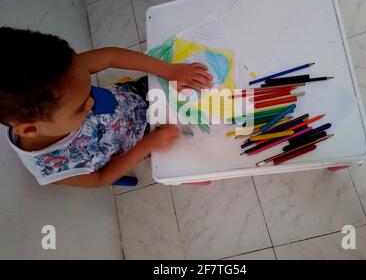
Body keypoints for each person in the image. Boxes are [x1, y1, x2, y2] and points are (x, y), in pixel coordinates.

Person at [0, 27, 213, 188]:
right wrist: (147, 145)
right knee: (201, 151)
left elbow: (110, 57)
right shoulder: (50, 168)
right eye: (80, 107)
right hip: (142, 140)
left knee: (207, 100)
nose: (91, 102)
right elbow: (100, 179)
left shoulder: (59, 73)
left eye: (89, 91)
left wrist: (169, 70)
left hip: (133, 96)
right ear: (29, 129)